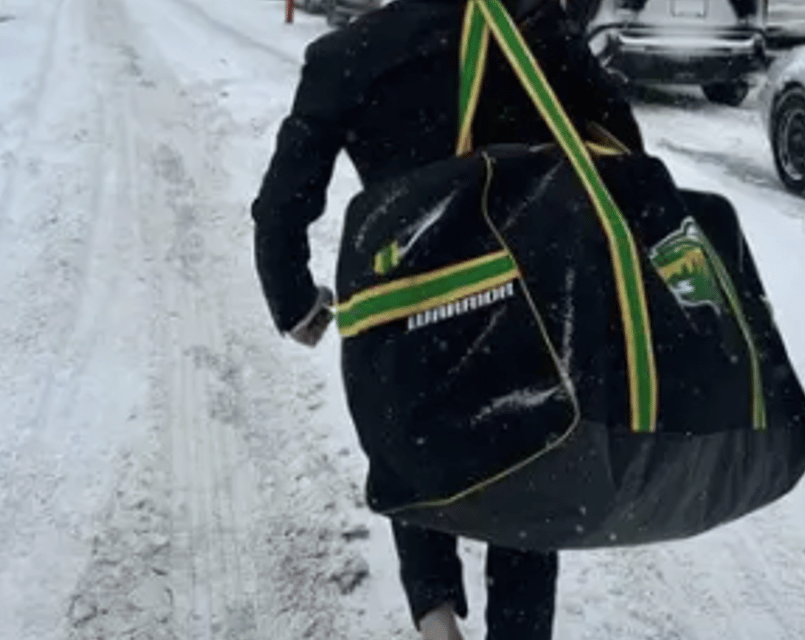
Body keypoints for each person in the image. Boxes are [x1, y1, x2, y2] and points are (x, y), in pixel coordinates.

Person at [248, 0, 644, 638]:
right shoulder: (534, 28)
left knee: (414, 455)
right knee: (530, 481)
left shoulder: (349, 54)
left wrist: (295, 303)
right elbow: (624, 146)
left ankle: (433, 616)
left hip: (410, 314)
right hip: (529, 311)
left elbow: (280, 209)